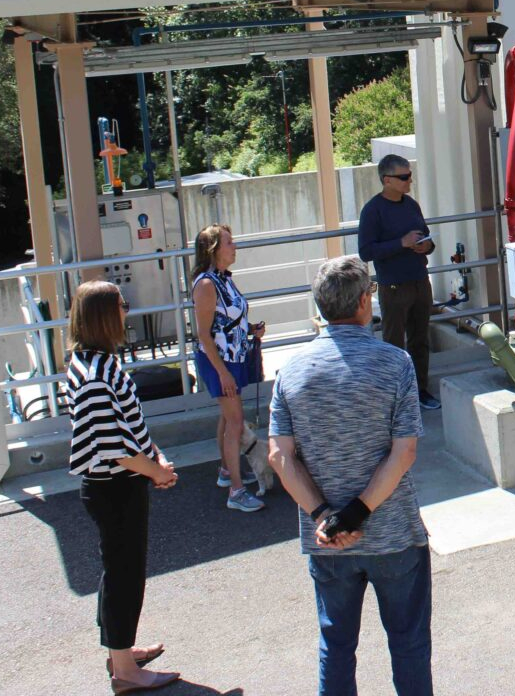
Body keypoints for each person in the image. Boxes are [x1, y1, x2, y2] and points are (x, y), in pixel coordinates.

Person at [268, 255, 431, 696]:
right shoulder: (395, 363)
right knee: (409, 644)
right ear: (365, 301)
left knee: (336, 646)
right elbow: (404, 451)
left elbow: (280, 457)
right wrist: (356, 514)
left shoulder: (291, 372)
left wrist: (327, 515)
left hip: (326, 540)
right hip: (393, 533)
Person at [63, 279, 181, 694]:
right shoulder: (96, 375)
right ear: (102, 315)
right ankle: (126, 673)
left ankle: (121, 653)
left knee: (120, 571)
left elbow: (128, 426)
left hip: (118, 482)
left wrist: (156, 456)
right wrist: (155, 471)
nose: (128, 311)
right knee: (124, 575)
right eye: (122, 305)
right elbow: (115, 449)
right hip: (113, 487)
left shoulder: (95, 361)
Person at [191, 223, 266, 513]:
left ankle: (227, 471)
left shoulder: (222, 279)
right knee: (235, 422)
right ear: (214, 250)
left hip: (233, 357)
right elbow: (204, 334)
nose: (234, 247)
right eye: (229, 243)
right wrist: (222, 373)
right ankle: (236, 491)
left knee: (229, 417)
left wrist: (251, 330)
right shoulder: (207, 284)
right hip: (220, 362)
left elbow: (229, 319)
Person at [358, 154, 441, 410]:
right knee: (394, 343)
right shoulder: (373, 210)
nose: (409, 181)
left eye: (410, 176)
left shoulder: (411, 205)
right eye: (404, 177)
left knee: (420, 339)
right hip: (393, 286)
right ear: (387, 180)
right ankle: (396, 398)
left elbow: (427, 238)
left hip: (419, 280)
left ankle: (421, 390)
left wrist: (426, 245)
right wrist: (400, 243)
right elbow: (366, 251)